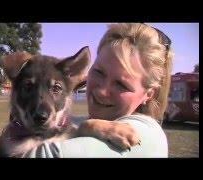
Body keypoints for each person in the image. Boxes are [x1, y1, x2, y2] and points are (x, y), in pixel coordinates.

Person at [24, 23, 173, 158]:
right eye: (99, 72)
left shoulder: (145, 135)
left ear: (149, 94)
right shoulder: (80, 122)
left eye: (121, 84)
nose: (102, 90)